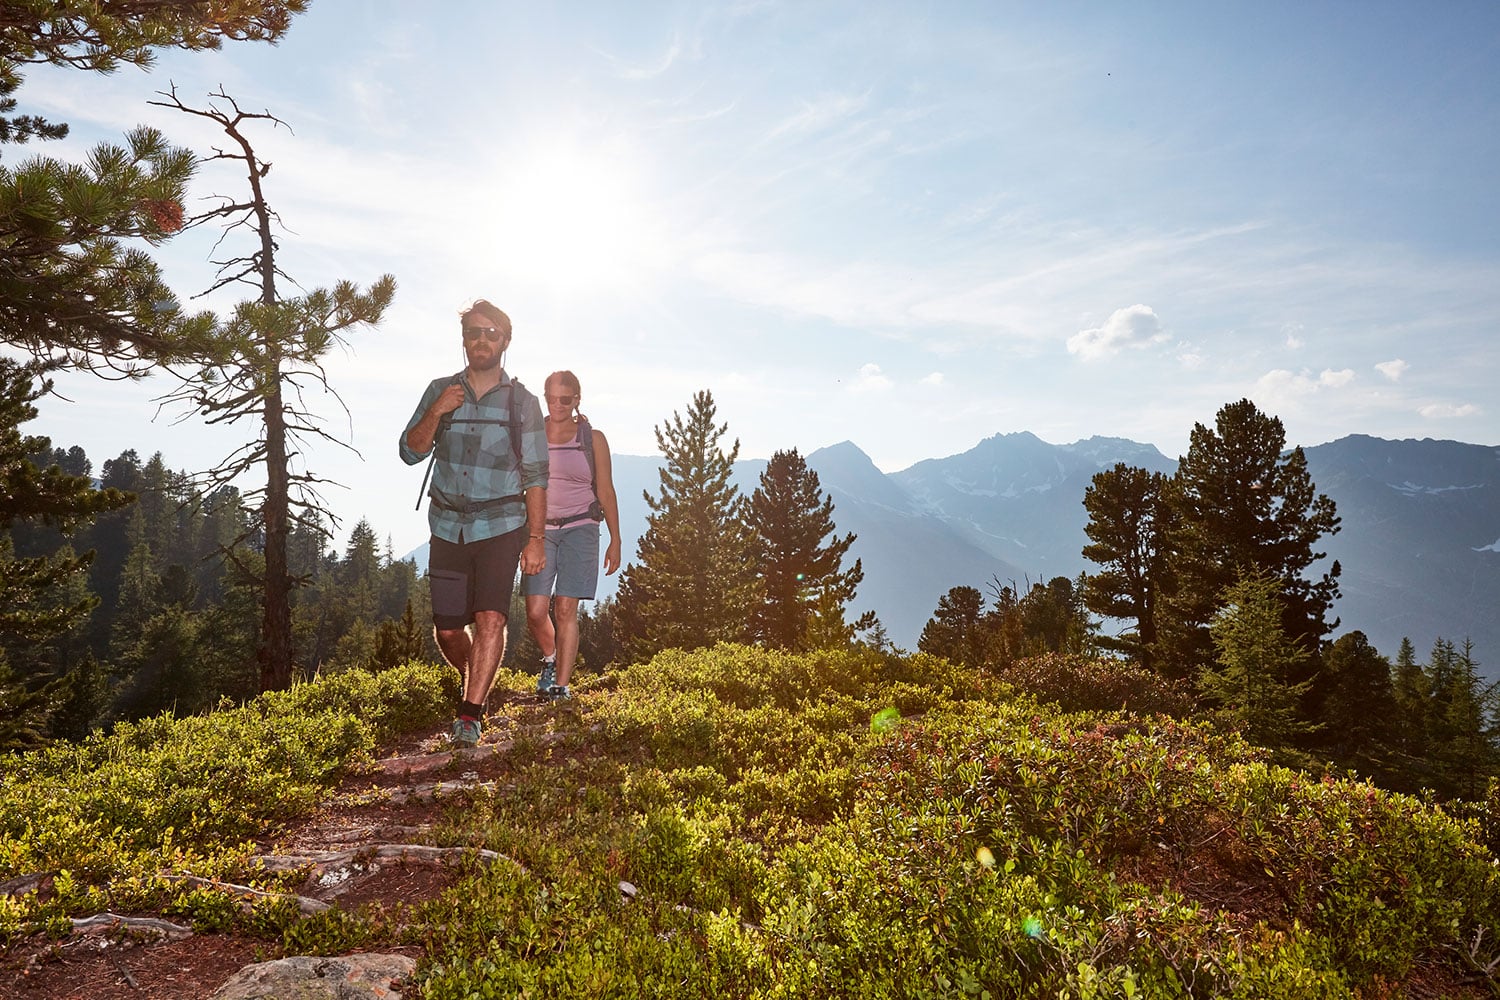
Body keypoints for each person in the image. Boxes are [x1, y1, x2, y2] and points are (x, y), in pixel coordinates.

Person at [399, 299, 547, 748]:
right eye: (473, 332)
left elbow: (538, 475)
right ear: (464, 339)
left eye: (491, 333)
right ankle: (479, 680)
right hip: (446, 524)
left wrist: (535, 538)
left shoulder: (523, 402)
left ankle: (471, 714)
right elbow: (410, 450)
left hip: (502, 524)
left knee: (490, 617)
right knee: (447, 628)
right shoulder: (439, 390)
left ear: (505, 340)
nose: (481, 340)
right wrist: (437, 410)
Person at [524, 370, 621, 701]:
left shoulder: (593, 438)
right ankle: (550, 658)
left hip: (582, 528)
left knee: (566, 608)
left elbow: (606, 491)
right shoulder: (533, 435)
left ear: (577, 399)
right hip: (540, 531)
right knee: (535, 610)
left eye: (565, 399)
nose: (557, 404)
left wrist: (615, 539)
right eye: (551, 398)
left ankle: (560, 687)